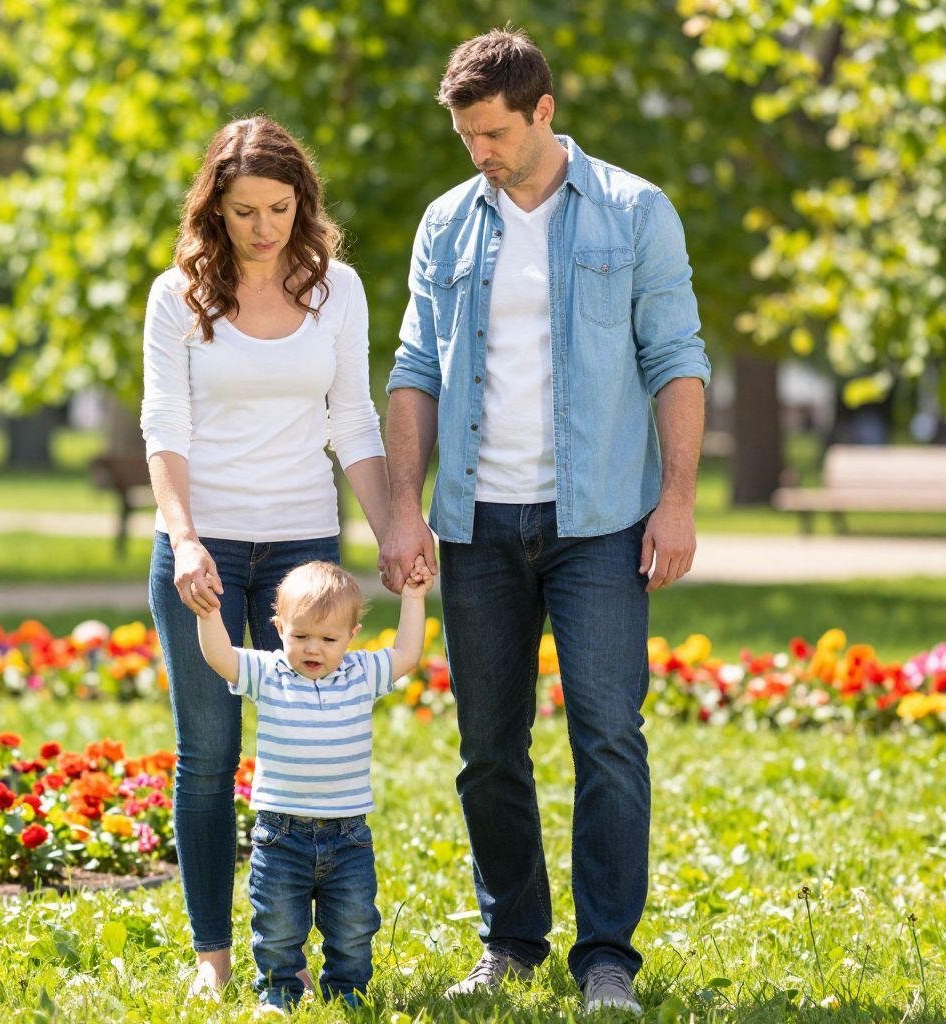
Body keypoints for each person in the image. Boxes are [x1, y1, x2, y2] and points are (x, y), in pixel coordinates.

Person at [378, 28, 712, 1016]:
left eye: (493, 133)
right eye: (466, 135)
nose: (479, 152)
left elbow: (678, 357)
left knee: (609, 734)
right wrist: (404, 507)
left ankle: (607, 954)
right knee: (488, 742)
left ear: (543, 113)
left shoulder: (634, 210)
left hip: (602, 519)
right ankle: (512, 940)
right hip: (477, 520)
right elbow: (414, 370)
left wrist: (680, 499)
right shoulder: (447, 223)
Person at [140, 115, 395, 999]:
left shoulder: (339, 291)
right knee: (207, 753)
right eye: (244, 210)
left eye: (279, 208)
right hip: (201, 550)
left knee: (305, 743)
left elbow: (352, 420)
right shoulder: (179, 296)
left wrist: (395, 523)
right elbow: (163, 428)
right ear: (216, 206)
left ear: (303, 201)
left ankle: (322, 952)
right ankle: (215, 956)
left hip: (300, 548)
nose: (263, 227)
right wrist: (183, 538)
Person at [194, 560, 431, 1014]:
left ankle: (347, 990)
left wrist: (414, 599)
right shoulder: (269, 672)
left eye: (328, 639)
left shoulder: (361, 674)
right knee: (278, 923)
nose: (313, 649)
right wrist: (209, 616)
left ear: (352, 636)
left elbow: (406, 653)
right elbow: (220, 657)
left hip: (348, 835)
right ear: (279, 628)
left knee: (355, 924)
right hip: (281, 834)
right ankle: (278, 992)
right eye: (300, 636)